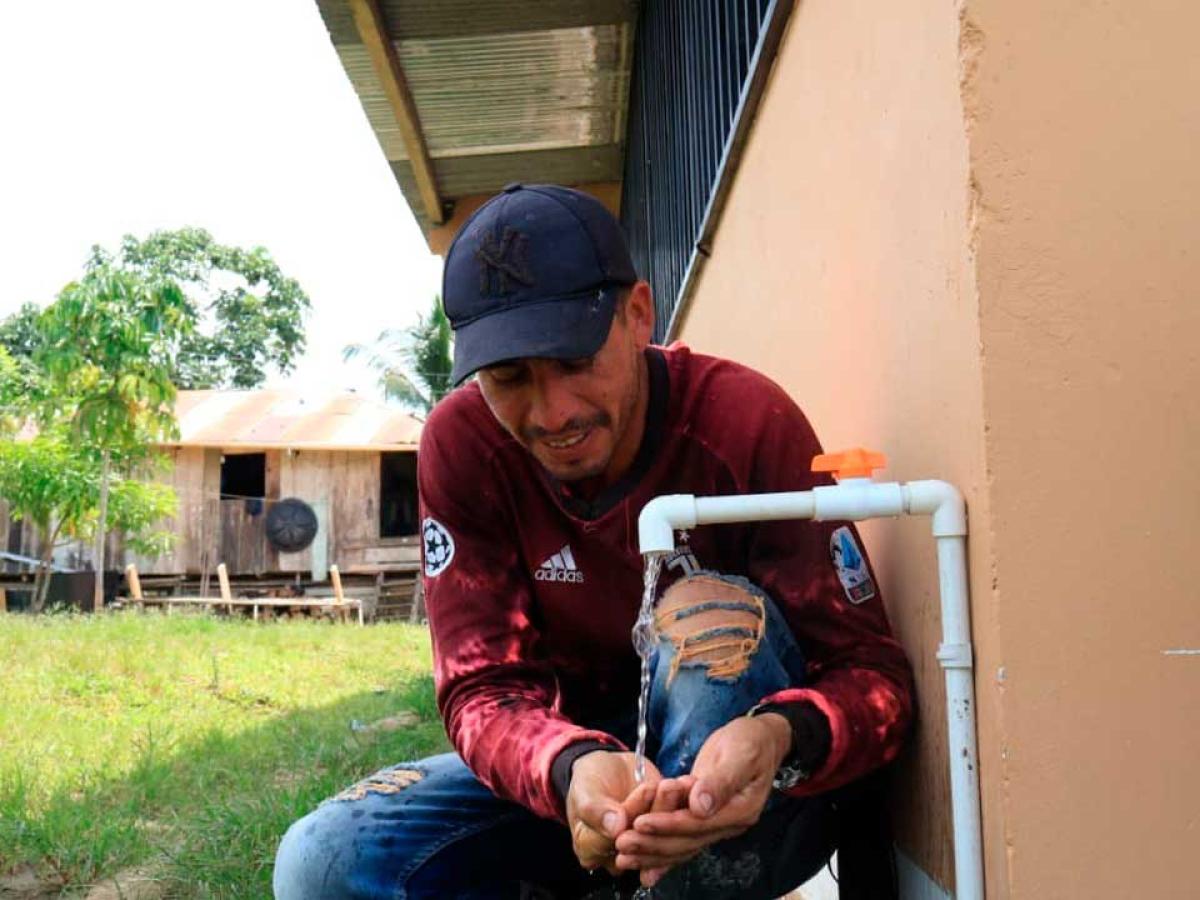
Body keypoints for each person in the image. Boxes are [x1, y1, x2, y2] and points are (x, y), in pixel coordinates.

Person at [273, 184, 914, 899]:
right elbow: (482, 690)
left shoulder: (744, 423)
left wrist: (776, 736)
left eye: (575, 363)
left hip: (747, 798)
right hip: (578, 785)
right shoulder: (463, 447)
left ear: (638, 315)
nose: (552, 413)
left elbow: (874, 677)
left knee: (705, 614)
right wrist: (569, 765)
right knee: (318, 861)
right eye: (509, 378)